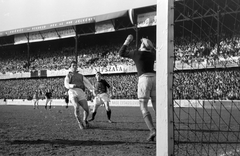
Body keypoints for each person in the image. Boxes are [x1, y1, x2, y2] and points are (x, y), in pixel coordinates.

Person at [118, 35, 156, 141]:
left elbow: (121, 53)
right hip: (155, 78)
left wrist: (127, 41)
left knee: (143, 106)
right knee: (156, 105)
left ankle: (152, 130)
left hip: (144, 79)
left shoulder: (136, 53)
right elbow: (155, 51)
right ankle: (163, 128)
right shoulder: (153, 54)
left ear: (142, 45)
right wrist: (151, 47)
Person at [64, 61, 94, 130]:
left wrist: (92, 90)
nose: (74, 67)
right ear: (70, 67)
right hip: (72, 91)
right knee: (76, 106)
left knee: (87, 110)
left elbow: (87, 83)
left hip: (80, 92)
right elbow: (66, 84)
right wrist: (71, 85)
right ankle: (80, 123)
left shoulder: (81, 75)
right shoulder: (68, 75)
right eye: (73, 65)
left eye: (75, 65)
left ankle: (84, 120)